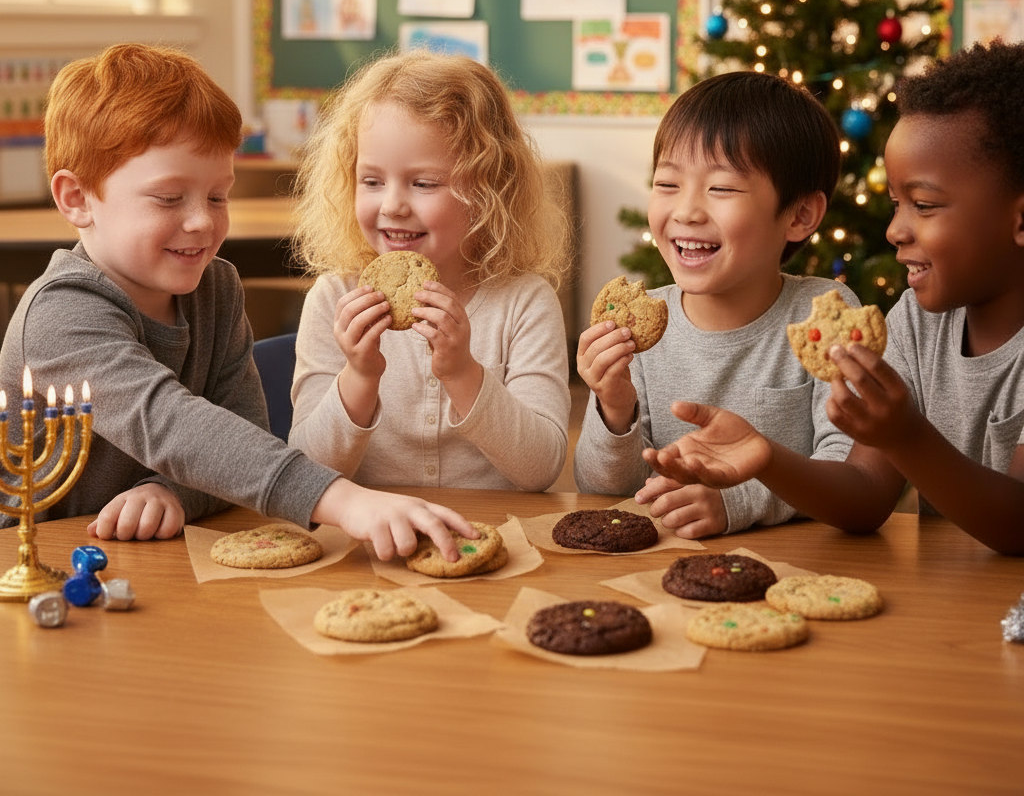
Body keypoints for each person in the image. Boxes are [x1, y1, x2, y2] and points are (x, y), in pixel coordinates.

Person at [0, 43, 475, 561]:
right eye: (168, 197)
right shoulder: (60, 317)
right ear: (77, 199)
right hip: (28, 563)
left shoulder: (215, 289)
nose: (202, 221)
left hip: (145, 559)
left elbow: (236, 443)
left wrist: (172, 489)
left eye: (217, 196)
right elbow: (170, 424)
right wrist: (346, 501)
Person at [642, 41, 1024, 555]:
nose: (894, 230)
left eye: (924, 205)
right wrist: (766, 458)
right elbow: (864, 500)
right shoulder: (915, 322)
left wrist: (906, 436)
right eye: (894, 204)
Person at [574, 70, 854, 538]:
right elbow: (601, 494)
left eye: (721, 188)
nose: (686, 211)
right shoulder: (640, 333)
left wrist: (739, 500)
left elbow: (847, 468)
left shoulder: (822, 315)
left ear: (800, 215)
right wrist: (615, 409)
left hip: (801, 564)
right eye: (667, 184)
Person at [288, 50, 570, 490]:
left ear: (489, 188)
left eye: (423, 183)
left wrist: (462, 372)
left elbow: (540, 469)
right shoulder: (332, 299)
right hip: (369, 543)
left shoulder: (524, 303)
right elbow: (307, 471)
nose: (393, 205)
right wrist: (360, 375)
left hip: (497, 539)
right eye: (372, 181)